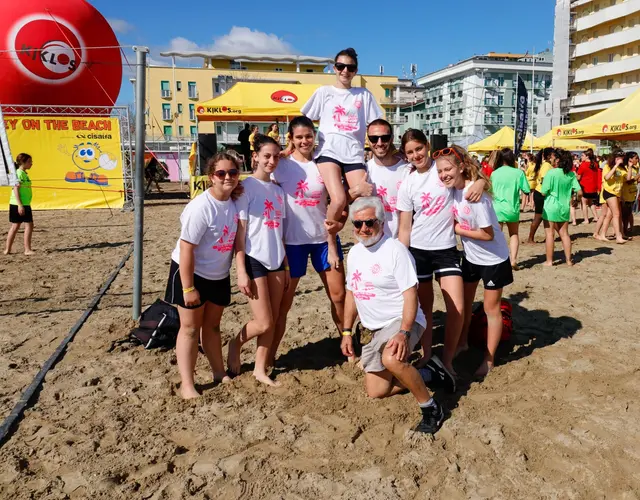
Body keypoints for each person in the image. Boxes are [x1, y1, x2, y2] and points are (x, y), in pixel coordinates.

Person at [341, 196, 445, 434]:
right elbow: (351, 294)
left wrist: (404, 332)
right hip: (376, 329)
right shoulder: (355, 253)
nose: (364, 229)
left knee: (392, 359)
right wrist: (347, 331)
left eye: (370, 222)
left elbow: (411, 296)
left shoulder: (395, 250)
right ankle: (430, 373)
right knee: (376, 391)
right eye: (358, 224)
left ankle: (431, 408)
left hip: (404, 320)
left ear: (382, 221)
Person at [397, 129, 487, 388]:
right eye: (410, 152)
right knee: (425, 310)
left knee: (457, 307)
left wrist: (480, 182)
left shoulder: (442, 168)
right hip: (419, 251)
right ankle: (427, 357)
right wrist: (404, 259)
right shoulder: (409, 183)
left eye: (419, 149)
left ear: (427, 146)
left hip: (446, 248)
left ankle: (447, 360)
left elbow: (471, 171)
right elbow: (405, 227)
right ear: (406, 155)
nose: (416, 155)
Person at [165, 152, 243, 399]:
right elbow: (186, 247)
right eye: (221, 173)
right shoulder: (200, 207)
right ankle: (187, 384)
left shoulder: (234, 202)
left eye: (233, 172)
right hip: (191, 272)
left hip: (218, 274)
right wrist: (188, 288)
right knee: (189, 328)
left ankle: (218, 372)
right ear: (211, 177)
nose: (227, 177)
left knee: (212, 326)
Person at [272, 116, 347, 365]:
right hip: (292, 243)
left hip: (324, 241)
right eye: (299, 137)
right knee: (284, 304)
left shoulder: (323, 163)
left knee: (338, 296)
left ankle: (347, 344)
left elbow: (340, 202)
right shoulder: (281, 165)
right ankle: (270, 355)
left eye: (308, 136)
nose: (304, 141)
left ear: (314, 136)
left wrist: (339, 226)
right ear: (290, 139)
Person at [435, 145, 513, 376]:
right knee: (465, 305)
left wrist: (459, 230)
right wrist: (482, 179)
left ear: (460, 167)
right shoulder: (453, 189)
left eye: (448, 169)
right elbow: (480, 174)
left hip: (493, 259)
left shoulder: (475, 197)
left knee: (491, 309)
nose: (443, 175)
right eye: (440, 171)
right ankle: (462, 343)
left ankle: (489, 359)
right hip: (470, 257)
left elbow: (488, 234)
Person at [300, 47, 383, 237]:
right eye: (340, 66)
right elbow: (303, 124)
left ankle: (357, 239)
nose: (345, 71)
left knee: (365, 199)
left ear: (355, 70)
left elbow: (376, 125)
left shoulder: (363, 94)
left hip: (354, 152)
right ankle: (329, 241)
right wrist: (290, 148)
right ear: (334, 68)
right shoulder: (324, 92)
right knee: (337, 200)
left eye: (350, 68)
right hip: (328, 151)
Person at [229, 135, 289, 386]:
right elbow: (239, 235)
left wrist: (285, 265)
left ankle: (259, 369)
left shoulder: (278, 190)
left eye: (276, 156)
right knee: (263, 321)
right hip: (255, 259)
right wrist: (240, 271)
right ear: (255, 156)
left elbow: (280, 231)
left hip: (277, 259)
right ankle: (235, 343)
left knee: (273, 321)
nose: (272, 160)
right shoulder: (245, 187)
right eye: (266, 155)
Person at [366, 118, 411, 238]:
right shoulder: (363, 171)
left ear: (391, 138)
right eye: (374, 138)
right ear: (368, 140)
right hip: (373, 241)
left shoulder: (408, 169)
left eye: (384, 138)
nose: (379, 143)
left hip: (402, 240)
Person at [541, 149, 583, 266]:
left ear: (558, 160)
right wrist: (576, 201)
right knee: (564, 234)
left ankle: (549, 261)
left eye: (553, 157)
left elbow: (543, 192)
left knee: (549, 234)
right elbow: (579, 192)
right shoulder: (570, 174)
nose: (552, 159)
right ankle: (569, 260)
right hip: (564, 207)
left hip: (550, 206)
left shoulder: (551, 173)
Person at [490, 148, 530, 269]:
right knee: (514, 234)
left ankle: (498, 259)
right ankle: (513, 260)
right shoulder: (518, 173)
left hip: (496, 208)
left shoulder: (494, 173)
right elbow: (527, 190)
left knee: (497, 235)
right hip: (512, 208)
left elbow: (489, 191)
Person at [594, 149, 629, 244]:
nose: (620, 159)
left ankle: (602, 234)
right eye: (618, 158)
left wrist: (629, 166)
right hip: (609, 192)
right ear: (615, 158)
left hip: (617, 193)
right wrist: (616, 165)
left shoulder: (622, 168)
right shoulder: (607, 166)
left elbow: (628, 178)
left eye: (622, 158)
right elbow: (607, 177)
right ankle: (618, 236)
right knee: (616, 214)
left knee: (609, 215)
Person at [5, 153, 35, 256]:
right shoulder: (18, 173)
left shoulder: (24, 173)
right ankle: (24, 250)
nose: (31, 163)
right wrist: (20, 205)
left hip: (25, 203)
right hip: (19, 204)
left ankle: (10, 250)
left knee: (23, 225)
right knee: (20, 226)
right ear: (22, 162)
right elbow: (15, 189)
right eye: (29, 162)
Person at [527, 148, 556, 244]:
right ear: (549, 156)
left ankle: (558, 235)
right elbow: (544, 180)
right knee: (539, 217)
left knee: (547, 216)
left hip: (541, 192)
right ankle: (530, 238)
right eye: (553, 155)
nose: (555, 157)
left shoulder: (547, 165)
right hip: (541, 193)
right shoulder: (546, 165)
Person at [576, 149, 600, 224]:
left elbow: (578, 177)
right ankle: (596, 217)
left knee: (584, 203)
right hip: (593, 187)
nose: (581, 157)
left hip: (585, 186)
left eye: (583, 155)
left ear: (587, 156)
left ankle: (586, 219)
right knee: (591, 203)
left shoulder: (583, 165)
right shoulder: (595, 164)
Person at [621, 151, 639, 238]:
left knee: (628, 213)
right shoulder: (625, 168)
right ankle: (623, 231)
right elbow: (628, 182)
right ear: (630, 159)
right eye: (636, 158)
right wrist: (637, 177)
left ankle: (627, 229)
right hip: (625, 195)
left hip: (632, 194)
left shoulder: (636, 168)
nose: (637, 159)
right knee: (624, 215)